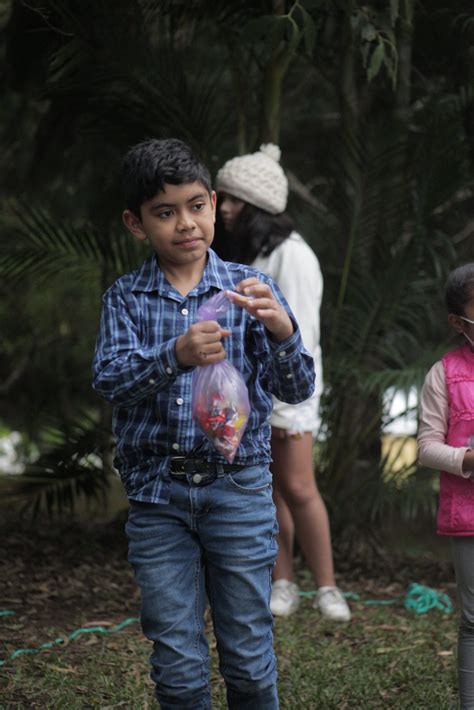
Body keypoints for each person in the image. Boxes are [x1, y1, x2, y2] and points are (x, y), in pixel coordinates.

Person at [92, 138, 316, 710]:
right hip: (157, 495)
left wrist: (284, 335)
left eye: (195, 206)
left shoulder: (252, 291)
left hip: (238, 489)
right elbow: (111, 380)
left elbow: (297, 389)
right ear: (136, 223)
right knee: (177, 660)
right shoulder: (126, 299)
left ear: (215, 205)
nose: (185, 223)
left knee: (246, 651)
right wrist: (176, 355)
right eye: (164, 213)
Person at [215, 144, 351, 622]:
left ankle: (329, 587)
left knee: (298, 486)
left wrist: (293, 411)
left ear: (258, 207)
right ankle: (284, 581)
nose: (223, 208)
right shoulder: (249, 255)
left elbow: (301, 337)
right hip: (250, 399)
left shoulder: (292, 256)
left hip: (290, 396)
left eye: (232, 200)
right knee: (271, 489)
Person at [417, 263, 474, 710]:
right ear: (459, 322)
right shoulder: (445, 374)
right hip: (468, 517)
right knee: (473, 620)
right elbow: (426, 447)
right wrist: (467, 460)